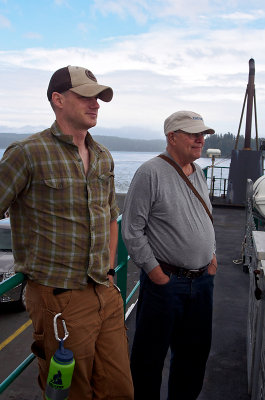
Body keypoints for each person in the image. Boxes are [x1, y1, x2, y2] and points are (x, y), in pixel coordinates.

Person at [0, 66, 133, 400]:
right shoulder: (27, 153)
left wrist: (110, 273)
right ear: (58, 100)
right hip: (59, 297)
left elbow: (111, 217)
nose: (96, 104)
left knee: (119, 389)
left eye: (98, 98)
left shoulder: (103, 155)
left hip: (104, 289)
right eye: (86, 96)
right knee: (70, 393)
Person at [122, 110, 218, 400]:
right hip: (166, 283)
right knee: (149, 358)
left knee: (194, 356)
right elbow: (131, 229)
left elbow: (204, 216)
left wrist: (212, 257)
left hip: (202, 282)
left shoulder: (198, 172)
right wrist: (155, 273)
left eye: (202, 134)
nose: (200, 139)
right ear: (171, 137)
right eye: (192, 134)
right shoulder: (150, 172)